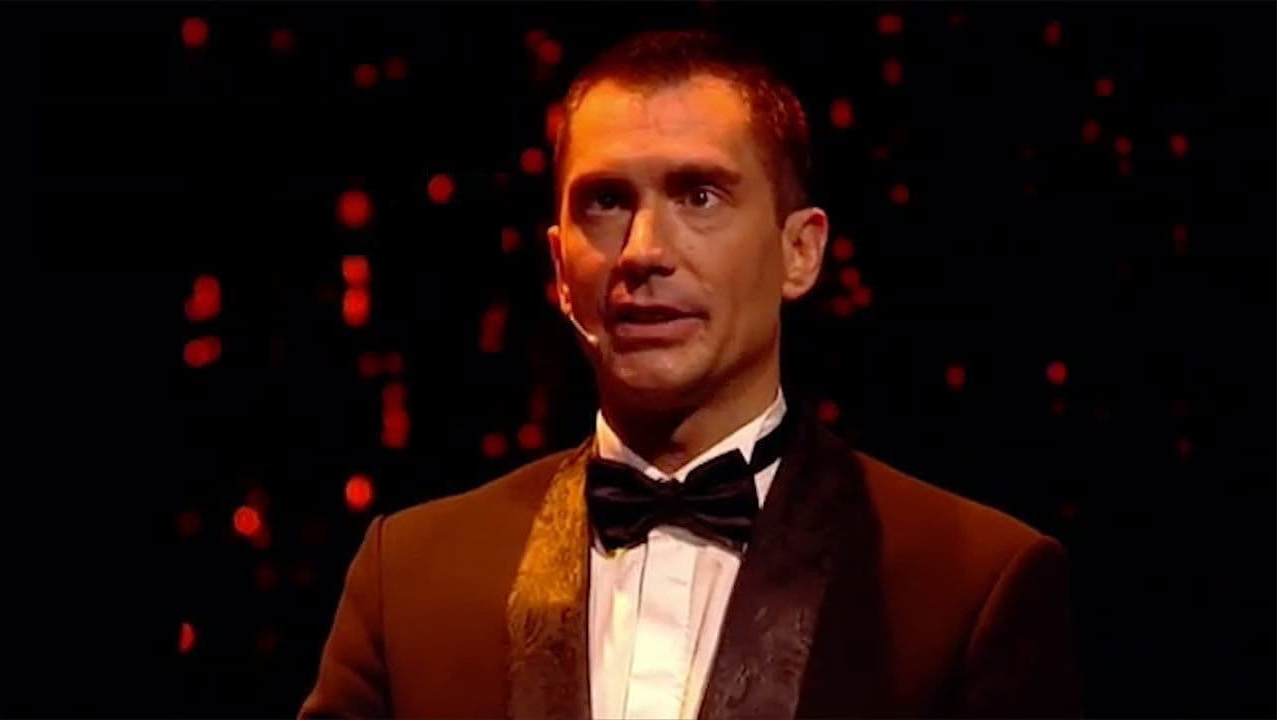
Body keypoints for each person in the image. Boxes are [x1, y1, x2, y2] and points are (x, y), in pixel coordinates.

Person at [300, 29, 1079, 719]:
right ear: (560, 268)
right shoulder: (408, 581)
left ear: (800, 251)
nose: (644, 251)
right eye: (606, 201)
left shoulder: (969, 584)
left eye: (699, 195)